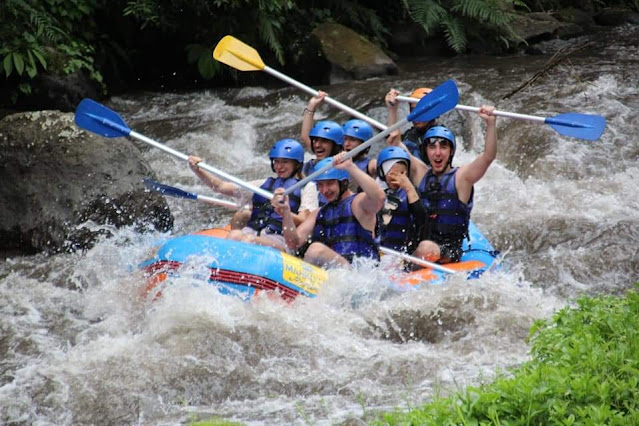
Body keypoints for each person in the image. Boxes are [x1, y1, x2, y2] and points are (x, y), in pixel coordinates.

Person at [387, 106, 497, 264]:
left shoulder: (462, 178)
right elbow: (395, 143)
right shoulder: (422, 174)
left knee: (426, 248)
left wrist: (491, 124)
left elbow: (488, 156)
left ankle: (405, 266)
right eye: (432, 147)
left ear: (451, 152)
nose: (437, 153)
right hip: (419, 242)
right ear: (426, 151)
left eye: (443, 147)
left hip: (448, 249)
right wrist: (392, 110)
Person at [187, 138, 317, 251]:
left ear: (297, 164)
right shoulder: (263, 184)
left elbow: (304, 221)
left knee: (248, 240)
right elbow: (221, 186)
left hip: (281, 240)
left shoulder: (307, 187)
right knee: (235, 234)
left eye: (285, 162)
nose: (279, 166)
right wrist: (198, 170)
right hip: (254, 232)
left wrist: (284, 211)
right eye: (276, 161)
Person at [271, 153, 385, 268]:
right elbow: (293, 243)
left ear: (344, 183)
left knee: (316, 250)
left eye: (330, 183)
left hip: (359, 274)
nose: (324, 190)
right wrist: (286, 212)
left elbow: (379, 198)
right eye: (320, 185)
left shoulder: (357, 203)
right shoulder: (319, 213)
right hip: (335, 276)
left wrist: (351, 167)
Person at [375, 146, 424, 254]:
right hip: (380, 251)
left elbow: (421, 219)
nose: (398, 178)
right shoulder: (374, 192)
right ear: (383, 173)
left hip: (403, 253)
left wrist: (409, 188)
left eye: (402, 173)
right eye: (392, 174)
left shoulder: (412, 192)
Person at [385, 87, 437, 160]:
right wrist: (392, 109)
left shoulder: (440, 137)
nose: (416, 115)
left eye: (421, 110)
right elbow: (393, 144)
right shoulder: (409, 134)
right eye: (413, 110)